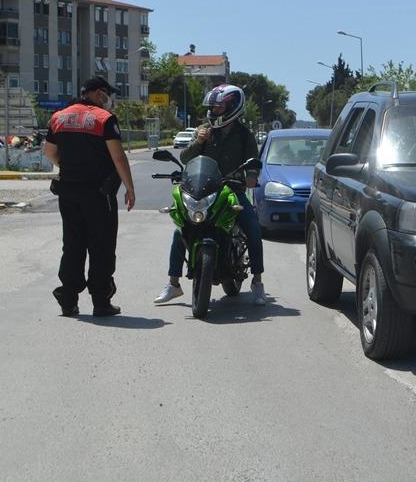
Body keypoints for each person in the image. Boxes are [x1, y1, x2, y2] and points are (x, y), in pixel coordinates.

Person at [154, 84, 267, 306]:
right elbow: (186, 159)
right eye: (213, 108)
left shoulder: (245, 135)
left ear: (233, 107)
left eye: (218, 107)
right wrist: (198, 141)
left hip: (232, 191)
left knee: (252, 227)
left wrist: (251, 176)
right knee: (181, 231)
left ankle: (257, 281)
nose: (213, 111)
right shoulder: (204, 131)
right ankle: (173, 283)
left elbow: (253, 162)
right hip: (205, 190)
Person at [43, 76, 135, 318]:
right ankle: (101, 301)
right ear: (96, 93)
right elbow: (118, 157)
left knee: (72, 244)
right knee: (101, 246)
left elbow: (49, 152)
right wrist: (129, 187)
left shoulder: (59, 117)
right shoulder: (104, 119)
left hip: (68, 191)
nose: (108, 99)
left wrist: (69, 166)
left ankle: (68, 299)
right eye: (106, 94)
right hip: (98, 193)